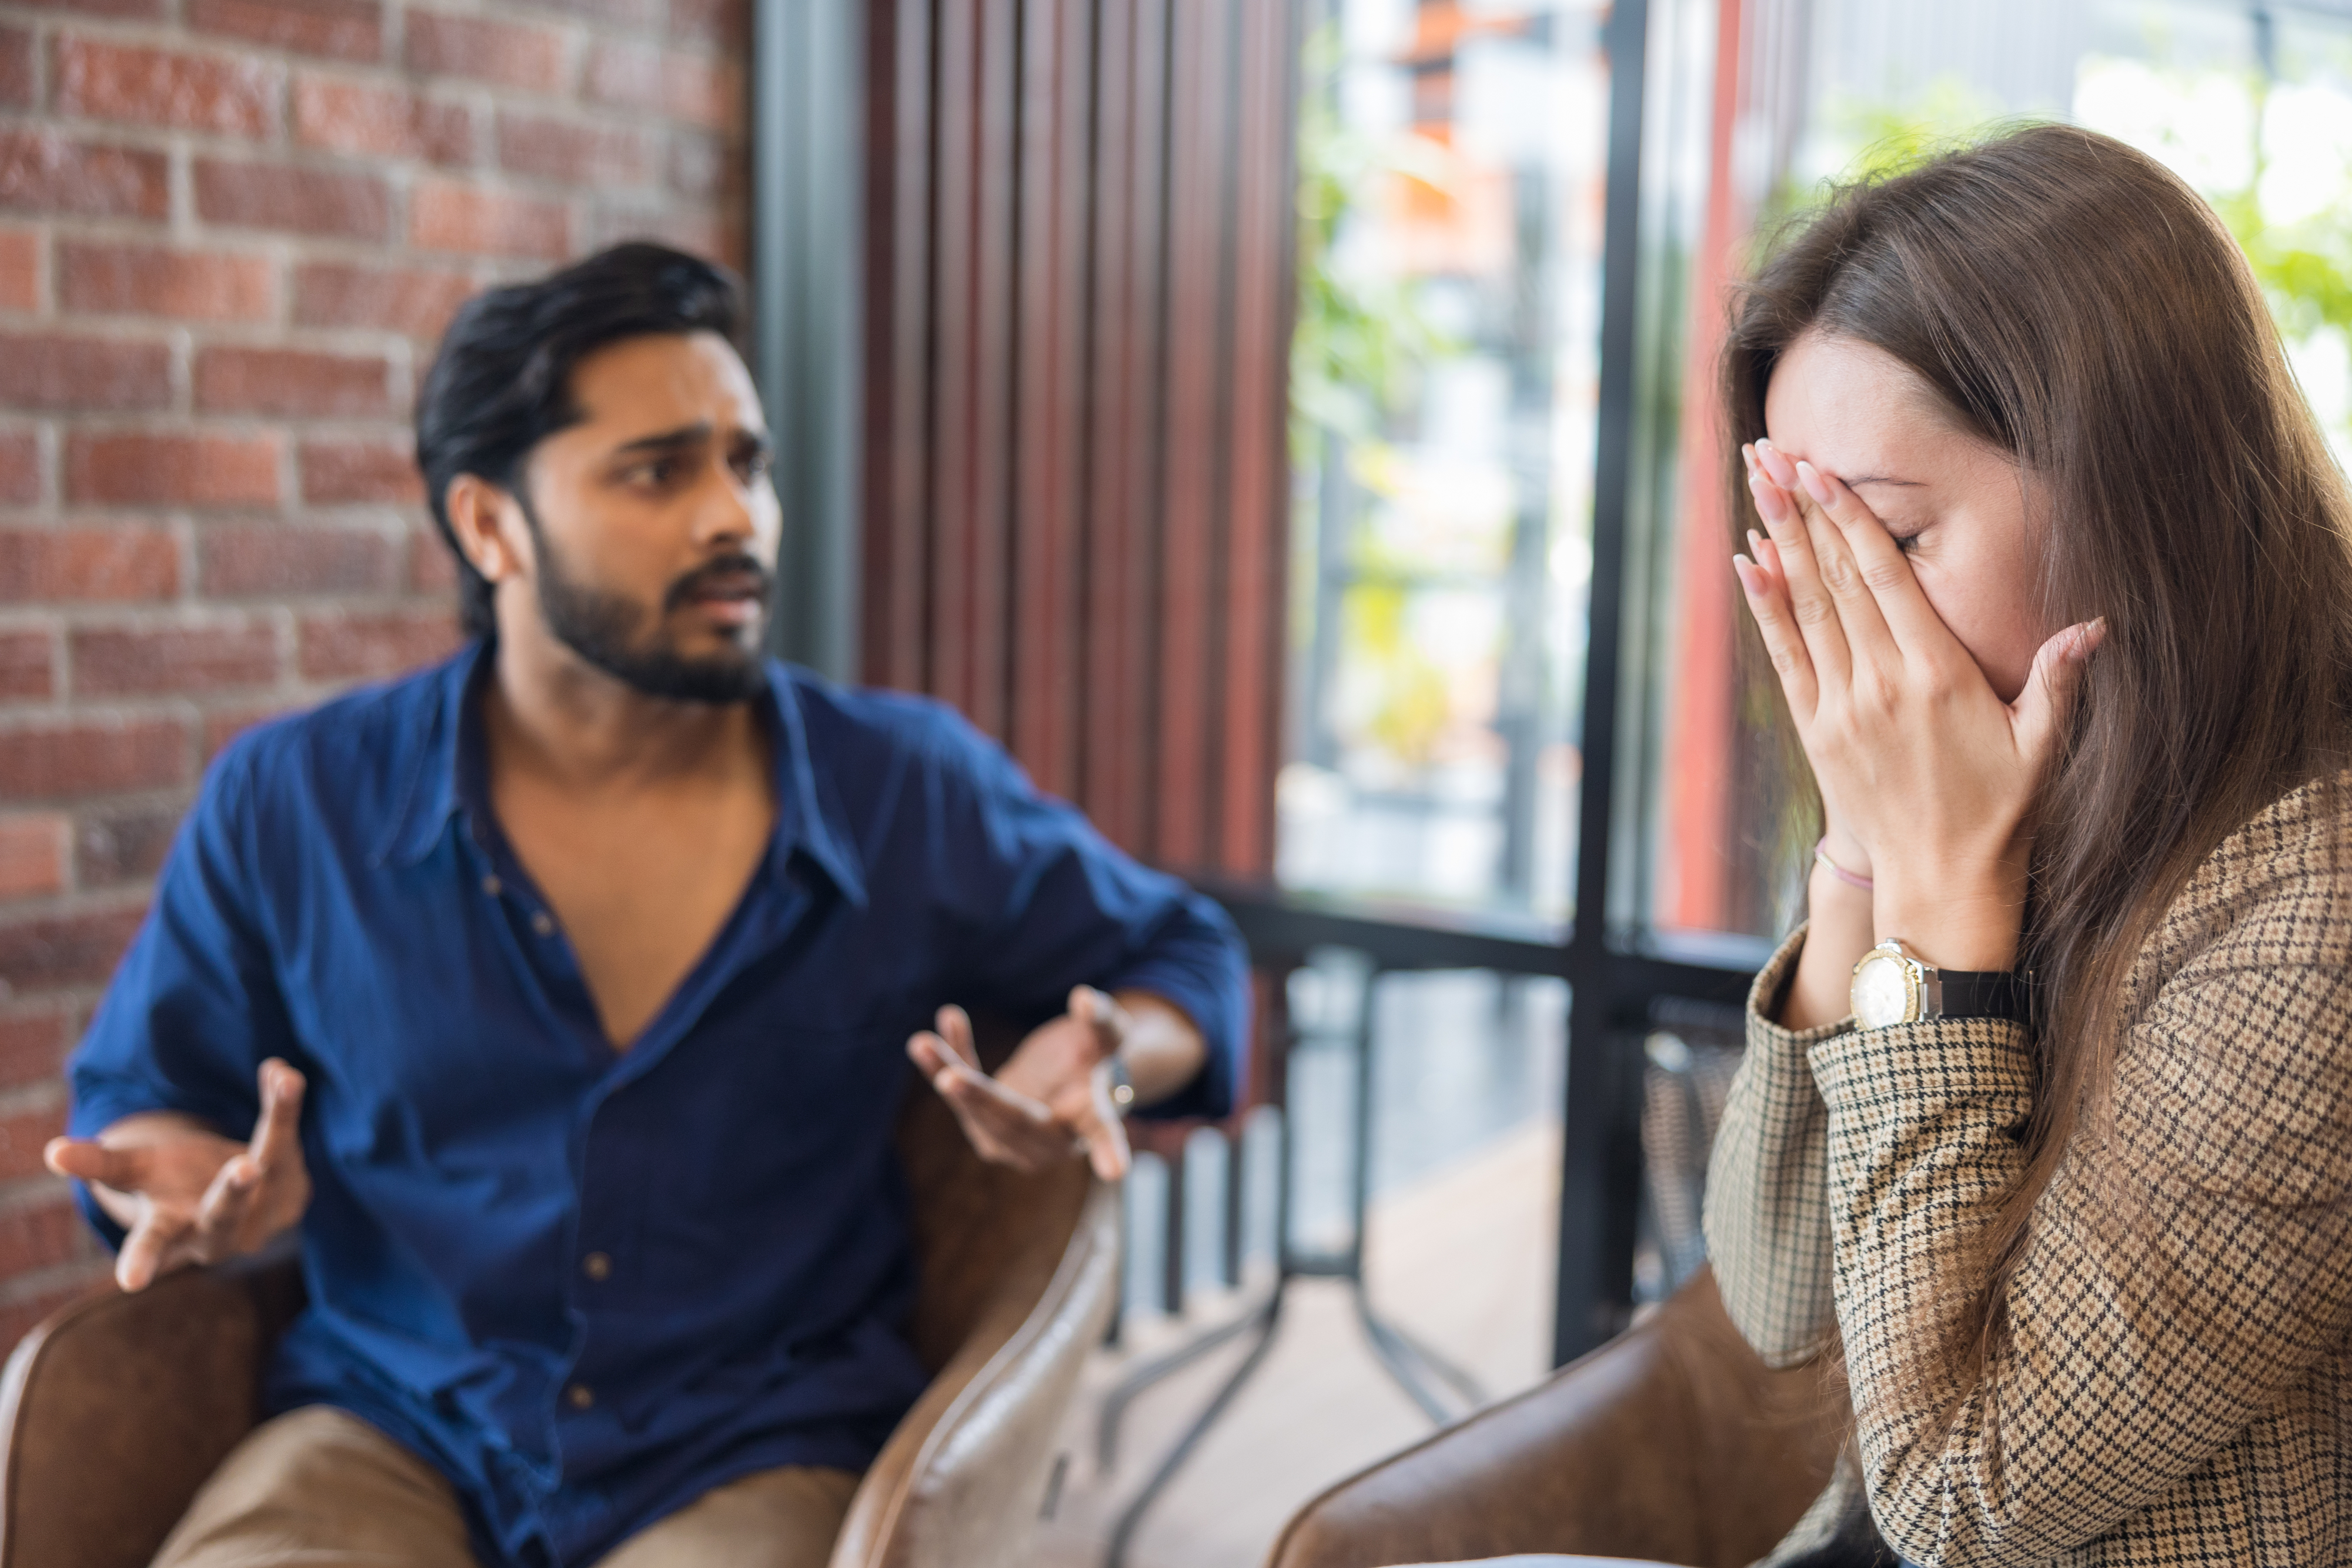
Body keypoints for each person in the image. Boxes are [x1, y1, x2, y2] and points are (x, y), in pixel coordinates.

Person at [45, 243, 1250, 1568]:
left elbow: (1183, 951)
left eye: (746, 461)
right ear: (489, 524)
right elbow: (144, 1103)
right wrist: (185, 1182)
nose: (733, 515)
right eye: (658, 469)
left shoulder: (902, 785)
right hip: (387, 1423)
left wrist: (1112, 1052)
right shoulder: (295, 798)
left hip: (754, 1439)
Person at [1705, 123, 2352, 1566]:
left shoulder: (2314, 914)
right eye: (1801, 558)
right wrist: (1866, 863)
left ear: (2135, 492)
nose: (1830, 621)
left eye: (1877, 541)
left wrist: (1935, 909)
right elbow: (1777, 1293)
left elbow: (1961, 1491)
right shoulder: (2015, 813)